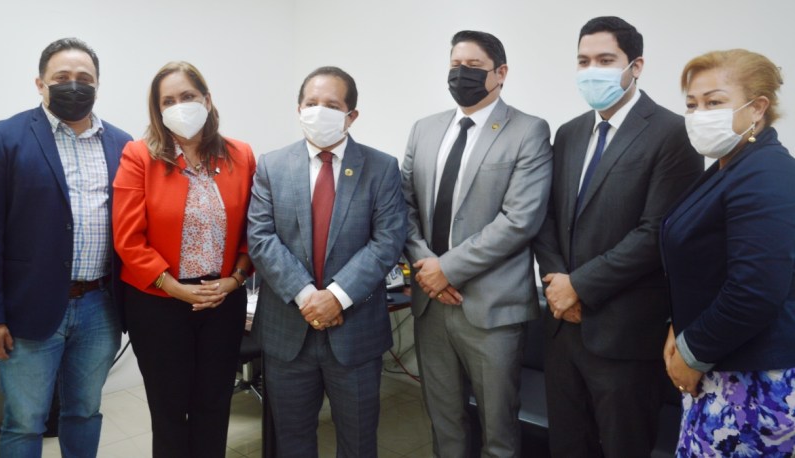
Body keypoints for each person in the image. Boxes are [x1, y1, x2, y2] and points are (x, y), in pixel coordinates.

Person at [532, 17, 702, 457]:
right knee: (568, 444)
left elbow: (656, 233)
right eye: (583, 61)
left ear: (636, 66)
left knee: (624, 446)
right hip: (562, 328)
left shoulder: (672, 133)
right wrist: (558, 285)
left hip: (623, 332)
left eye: (606, 60)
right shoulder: (569, 133)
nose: (593, 70)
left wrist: (579, 286)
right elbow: (546, 218)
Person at [402, 30, 552, 457]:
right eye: (455, 65)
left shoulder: (528, 130)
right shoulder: (424, 129)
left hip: (492, 307)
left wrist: (447, 269)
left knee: (498, 430)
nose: (461, 74)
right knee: (444, 421)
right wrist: (426, 267)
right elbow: (403, 206)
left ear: (500, 73)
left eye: (473, 67)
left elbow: (520, 219)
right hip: (430, 303)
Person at [0, 38, 132, 457]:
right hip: (27, 308)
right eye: (61, 77)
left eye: (84, 78)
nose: (73, 85)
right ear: (40, 83)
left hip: (101, 307)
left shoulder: (123, 144)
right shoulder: (3, 138)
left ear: (97, 85)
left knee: (85, 411)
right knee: (24, 422)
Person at [247, 66, 406, 457]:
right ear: (298, 109)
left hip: (355, 333)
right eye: (311, 103)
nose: (319, 111)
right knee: (292, 440)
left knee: (358, 442)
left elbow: (387, 241)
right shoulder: (271, 165)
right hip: (288, 332)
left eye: (332, 105)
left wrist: (336, 296)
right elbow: (261, 238)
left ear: (352, 116)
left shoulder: (381, 167)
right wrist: (307, 297)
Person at [112, 61, 255, 458]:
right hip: (159, 303)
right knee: (169, 410)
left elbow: (254, 229)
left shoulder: (240, 155)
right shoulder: (139, 156)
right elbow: (128, 238)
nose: (179, 106)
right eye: (168, 101)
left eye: (188, 96)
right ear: (157, 110)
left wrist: (235, 279)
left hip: (222, 300)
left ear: (206, 100)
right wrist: (173, 287)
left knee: (215, 405)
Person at [662, 49, 795, 457]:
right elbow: (703, 267)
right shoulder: (727, 167)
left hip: (751, 380)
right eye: (692, 105)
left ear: (758, 108)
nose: (699, 115)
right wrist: (677, 327)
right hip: (719, 367)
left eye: (714, 102)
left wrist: (690, 353)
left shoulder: (767, 172)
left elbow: (754, 290)